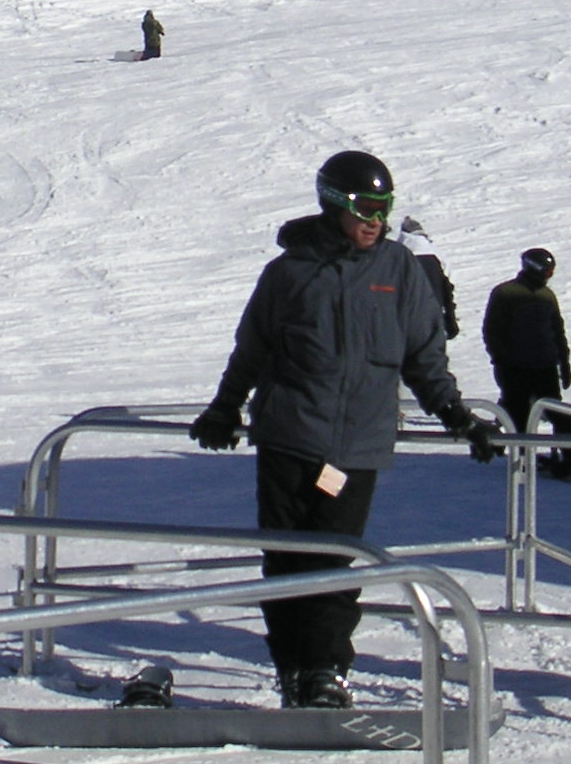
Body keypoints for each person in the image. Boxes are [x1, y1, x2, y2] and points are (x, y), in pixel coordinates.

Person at [188, 150, 500, 710]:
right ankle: (294, 670)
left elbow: (424, 357)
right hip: (289, 438)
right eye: (364, 208)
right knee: (285, 561)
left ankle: (326, 670)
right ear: (334, 204)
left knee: (333, 560)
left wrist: (457, 416)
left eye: (384, 208)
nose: (376, 220)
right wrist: (225, 407)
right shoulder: (289, 273)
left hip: (355, 449)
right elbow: (253, 349)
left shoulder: (398, 272)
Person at [481, 248, 571, 479]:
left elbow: (557, 330)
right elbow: (492, 330)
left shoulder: (547, 296)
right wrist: (501, 358)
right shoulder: (505, 293)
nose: (549, 276)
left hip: (545, 366)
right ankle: (522, 458)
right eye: (547, 272)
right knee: (519, 413)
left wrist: (564, 362)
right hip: (515, 366)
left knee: (558, 412)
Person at [396, 215, 461, 340]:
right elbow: (448, 285)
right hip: (435, 314)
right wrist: (450, 318)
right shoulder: (435, 252)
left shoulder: (397, 254)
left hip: (405, 320)